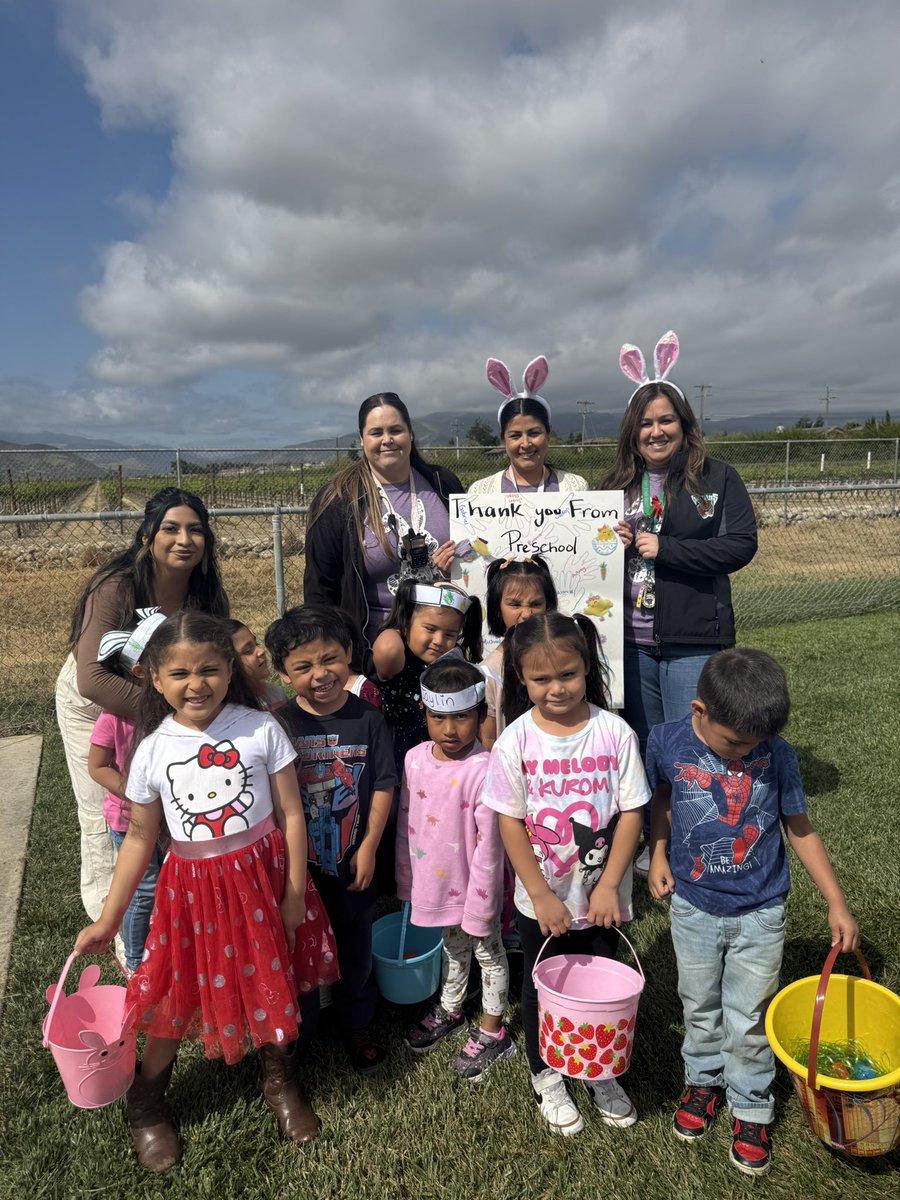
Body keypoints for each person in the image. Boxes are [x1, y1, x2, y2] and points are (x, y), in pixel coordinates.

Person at [74, 612, 338, 1172]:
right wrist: (107, 917)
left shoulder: (260, 727)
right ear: (153, 678)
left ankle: (279, 1082)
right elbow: (140, 838)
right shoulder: (151, 749)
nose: (197, 684)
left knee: (273, 976)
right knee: (174, 995)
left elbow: (291, 813)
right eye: (180, 673)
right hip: (191, 895)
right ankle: (147, 1105)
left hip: (264, 881)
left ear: (229, 669)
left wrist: (293, 891)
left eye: (210, 669)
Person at [646, 648, 859, 1177]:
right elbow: (663, 802)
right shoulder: (666, 742)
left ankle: (750, 1104)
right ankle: (702, 1082)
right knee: (698, 1004)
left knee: (749, 1015)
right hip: (693, 907)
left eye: (754, 745)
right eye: (735, 742)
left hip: (762, 912)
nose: (745, 753)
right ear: (699, 710)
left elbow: (799, 827)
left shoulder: (778, 754)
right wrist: (657, 852)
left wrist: (836, 900)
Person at [483, 613, 649, 1136]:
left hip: (603, 898)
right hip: (545, 902)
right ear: (521, 680)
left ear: (588, 669)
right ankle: (546, 1073)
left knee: (600, 985)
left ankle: (597, 1068)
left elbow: (632, 814)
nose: (556, 689)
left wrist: (607, 886)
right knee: (541, 987)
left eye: (568, 675)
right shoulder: (515, 741)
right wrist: (539, 893)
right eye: (541, 679)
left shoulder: (615, 732)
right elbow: (509, 821)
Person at [603, 332, 757, 869]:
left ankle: (700, 842)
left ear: (685, 424)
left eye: (666, 420)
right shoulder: (617, 483)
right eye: (645, 423)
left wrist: (665, 549)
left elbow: (739, 545)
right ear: (632, 432)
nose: (656, 430)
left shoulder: (715, 480)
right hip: (631, 642)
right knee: (648, 745)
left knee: (695, 744)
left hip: (693, 639)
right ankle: (653, 842)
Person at [56, 487, 229, 921]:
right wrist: (173, 715)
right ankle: (110, 923)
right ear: (146, 537)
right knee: (108, 809)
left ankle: (165, 911)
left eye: (195, 530)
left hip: (165, 699)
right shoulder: (117, 586)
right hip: (95, 700)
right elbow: (92, 678)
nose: (183, 540)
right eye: (170, 529)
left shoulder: (203, 594)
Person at [266, 605, 397, 1073]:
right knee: (296, 949)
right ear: (283, 673)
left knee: (354, 947)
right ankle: (299, 1029)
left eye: (330, 660)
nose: (319, 674)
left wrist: (368, 848)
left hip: (352, 866)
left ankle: (357, 1021)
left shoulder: (369, 719)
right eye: (303, 667)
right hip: (297, 873)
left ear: (350, 655)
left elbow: (384, 785)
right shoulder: (278, 725)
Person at [397, 654, 514, 1080]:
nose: (450, 730)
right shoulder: (413, 759)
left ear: (482, 714)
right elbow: (407, 826)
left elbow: (491, 847)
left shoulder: (485, 769)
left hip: (476, 892)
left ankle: (493, 1031)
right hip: (435, 887)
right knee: (452, 947)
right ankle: (451, 1008)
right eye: (438, 717)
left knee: (490, 954)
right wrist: (407, 881)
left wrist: (482, 904)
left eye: (463, 717)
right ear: (423, 713)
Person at [303, 393, 464, 660]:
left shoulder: (442, 482)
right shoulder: (338, 499)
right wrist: (332, 655)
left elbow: (468, 551)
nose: (387, 440)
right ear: (362, 439)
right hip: (374, 650)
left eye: (396, 430)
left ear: (410, 434)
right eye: (376, 432)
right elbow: (320, 586)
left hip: (441, 642)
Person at [87, 607, 167, 972]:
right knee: (144, 887)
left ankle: (164, 952)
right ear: (140, 671)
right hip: (127, 819)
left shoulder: (176, 712)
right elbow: (98, 767)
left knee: (165, 883)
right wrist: (135, 793)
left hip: (169, 818)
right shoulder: (114, 716)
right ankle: (135, 962)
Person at [373, 580, 483, 777]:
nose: (439, 641)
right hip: (400, 769)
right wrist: (396, 628)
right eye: (430, 629)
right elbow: (387, 650)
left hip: (448, 770)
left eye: (450, 634)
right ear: (407, 623)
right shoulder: (399, 663)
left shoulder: (456, 667)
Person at [469, 356, 588, 494]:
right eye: (515, 435)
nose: (525, 444)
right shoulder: (480, 492)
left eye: (534, 433)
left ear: (548, 434)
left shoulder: (577, 488)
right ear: (503, 440)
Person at [478, 555, 557, 749]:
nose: (526, 614)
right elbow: (487, 740)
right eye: (515, 604)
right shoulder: (488, 672)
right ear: (497, 607)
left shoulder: (560, 659)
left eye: (535, 604)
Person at [223, 618, 286, 710]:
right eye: (247, 650)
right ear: (230, 665)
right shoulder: (231, 710)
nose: (261, 651)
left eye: (256, 643)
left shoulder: (275, 694)